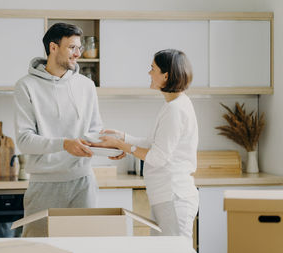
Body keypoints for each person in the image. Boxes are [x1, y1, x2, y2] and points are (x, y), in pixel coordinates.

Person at [93, 49, 199, 239]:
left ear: (166, 75)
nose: (149, 73)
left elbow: (157, 157)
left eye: (153, 69)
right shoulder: (173, 105)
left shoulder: (175, 110)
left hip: (173, 196)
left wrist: (120, 144)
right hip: (166, 196)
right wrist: (123, 137)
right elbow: (153, 144)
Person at [13, 22, 103, 237]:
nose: (78, 54)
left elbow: (95, 131)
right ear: (53, 47)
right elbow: (24, 140)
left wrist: (110, 146)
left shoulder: (86, 85)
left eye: (79, 48)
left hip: (83, 182)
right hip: (45, 185)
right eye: (72, 47)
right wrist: (64, 144)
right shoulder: (26, 86)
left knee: (85, 250)